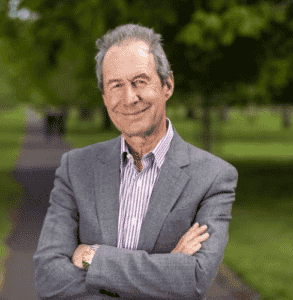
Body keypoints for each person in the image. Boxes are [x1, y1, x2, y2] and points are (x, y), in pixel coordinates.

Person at [33, 23, 238, 300]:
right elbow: (48, 276)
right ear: (105, 96)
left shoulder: (213, 177)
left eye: (140, 81)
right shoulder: (76, 168)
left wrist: (93, 257)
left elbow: (193, 278)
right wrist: (164, 273)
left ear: (168, 85)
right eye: (115, 85)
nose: (129, 98)